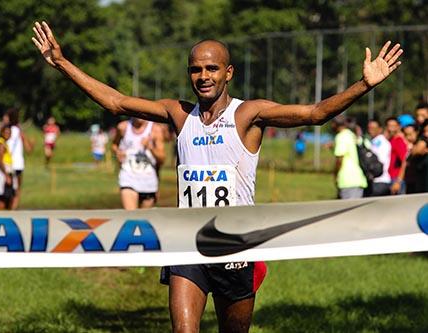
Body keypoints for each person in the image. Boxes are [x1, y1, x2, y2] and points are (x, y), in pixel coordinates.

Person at [32, 21, 402, 332]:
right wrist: (62, 63)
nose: (203, 76)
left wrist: (364, 85)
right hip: (188, 243)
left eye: (211, 69)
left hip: (236, 244)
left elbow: (315, 113)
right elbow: (115, 102)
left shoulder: (249, 115)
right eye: (196, 69)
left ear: (229, 73)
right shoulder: (179, 114)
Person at [112, 118, 165, 210]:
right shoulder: (123, 127)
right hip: (128, 178)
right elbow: (114, 145)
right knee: (131, 216)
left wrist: (150, 148)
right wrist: (118, 152)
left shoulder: (155, 129)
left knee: (144, 220)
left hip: (149, 181)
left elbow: (162, 159)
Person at [331, 115, 367, 199]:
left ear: (336, 124)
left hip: (348, 180)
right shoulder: (351, 135)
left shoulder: (341, 136)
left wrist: (335, 175)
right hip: (357, 179)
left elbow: (339, 159)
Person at [5, 107, 32, 209]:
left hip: (7, 164)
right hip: (18, 164)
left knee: (7, 190)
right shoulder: (19, 131)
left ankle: (7, 210)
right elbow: (28, 149)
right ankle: (13, 210)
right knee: (17, 190)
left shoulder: (5, 131)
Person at [366, 119, 391, 196]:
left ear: (380, 129)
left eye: (373, 128)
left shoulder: (380, 143)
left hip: (379, 181)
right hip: (379, 181)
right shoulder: (374, 142)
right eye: (369, 128)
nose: (370, 130)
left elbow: (379, 162)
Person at [385, 117, 408, 195]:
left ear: (398, 127)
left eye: (393, 126)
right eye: (389, 126)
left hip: (396, 178)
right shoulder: (391, 140)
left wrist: (399, 181)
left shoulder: (399, 141)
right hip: (390, 177)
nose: (391, 128)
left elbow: (405, 161)